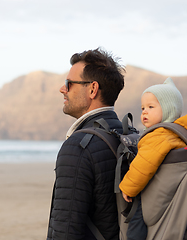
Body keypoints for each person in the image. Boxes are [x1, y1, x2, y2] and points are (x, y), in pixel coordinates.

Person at [118, 78, 187, 239]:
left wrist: (128, 187)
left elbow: (143, 165)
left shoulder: (158, 136)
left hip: (154, 196)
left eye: (151, 107)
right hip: (173, 192)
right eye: (143, 108)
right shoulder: (179, 133)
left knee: (135, 220)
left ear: (168, 109)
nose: (144, 111)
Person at [47, 48, 125, 240]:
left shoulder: (78, 147)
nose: (62, 89)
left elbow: (65, 232)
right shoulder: (126, 135)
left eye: (69, 84)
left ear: (92, 89)